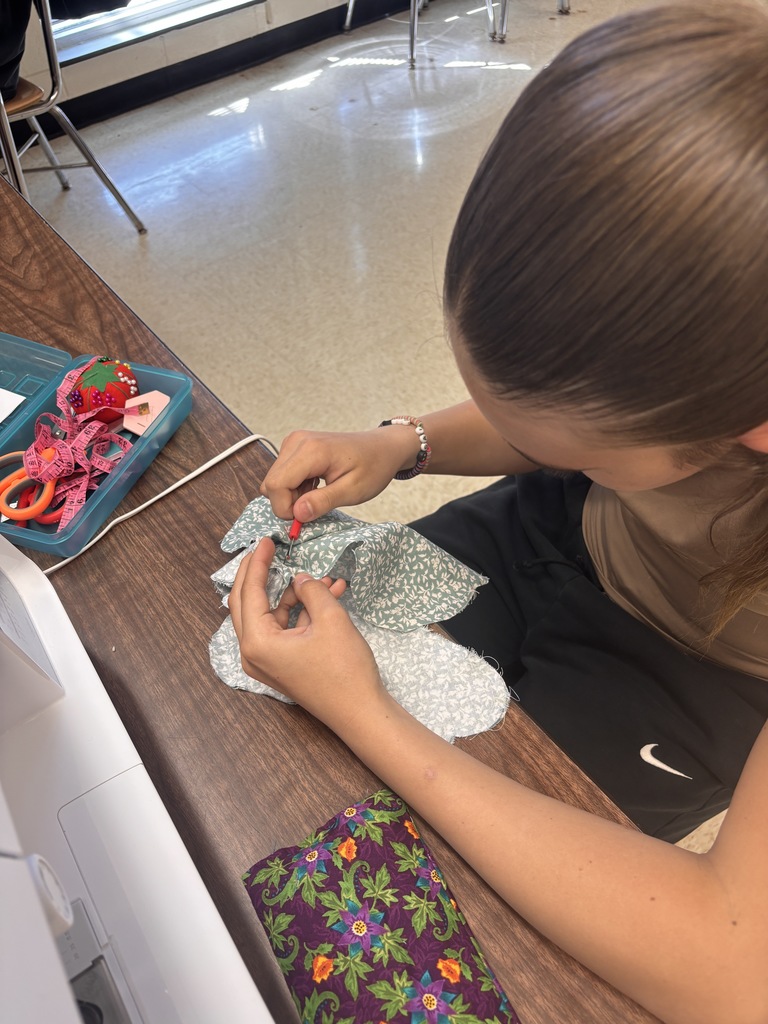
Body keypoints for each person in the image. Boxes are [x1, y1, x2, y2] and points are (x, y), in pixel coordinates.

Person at [228, 2, 768, 1021]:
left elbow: (734, 969)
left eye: (571, 441)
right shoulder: (670, 383)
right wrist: (406, 444)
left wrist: (366, 712)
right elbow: (563, 428)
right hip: (559, 530)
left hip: (693, 680)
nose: (524, 436)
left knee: (450, 884)